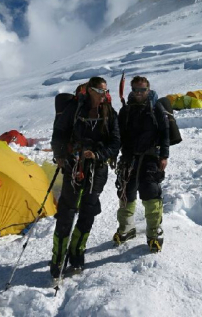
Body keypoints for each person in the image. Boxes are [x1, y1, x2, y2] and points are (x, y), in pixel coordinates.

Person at [50, 77, 121, 277]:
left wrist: (98, 154)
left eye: (105, 91)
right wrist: (61, 155)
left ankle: (76, 252)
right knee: (66, 212)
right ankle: (58, 258)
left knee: (88, 211)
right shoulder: (74, 110)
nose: (103, 94)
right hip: (74, 166)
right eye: (99, 90)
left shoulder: (109, 113)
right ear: (89, 90)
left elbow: (116, 142)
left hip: (97, 169)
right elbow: (59, 133)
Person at [113, 76, 169, 253]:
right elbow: (118, 135)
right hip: (129, 157)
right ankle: (127, 228)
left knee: (150, 193)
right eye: (136, 90)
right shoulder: (126, 110)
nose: (139, 93)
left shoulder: (155, 107)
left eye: (142, 90)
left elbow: (164, 132)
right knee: (125, 193)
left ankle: (154, 232)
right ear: (131, 90)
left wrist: (164, 155)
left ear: (148, 90)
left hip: (151, 156)